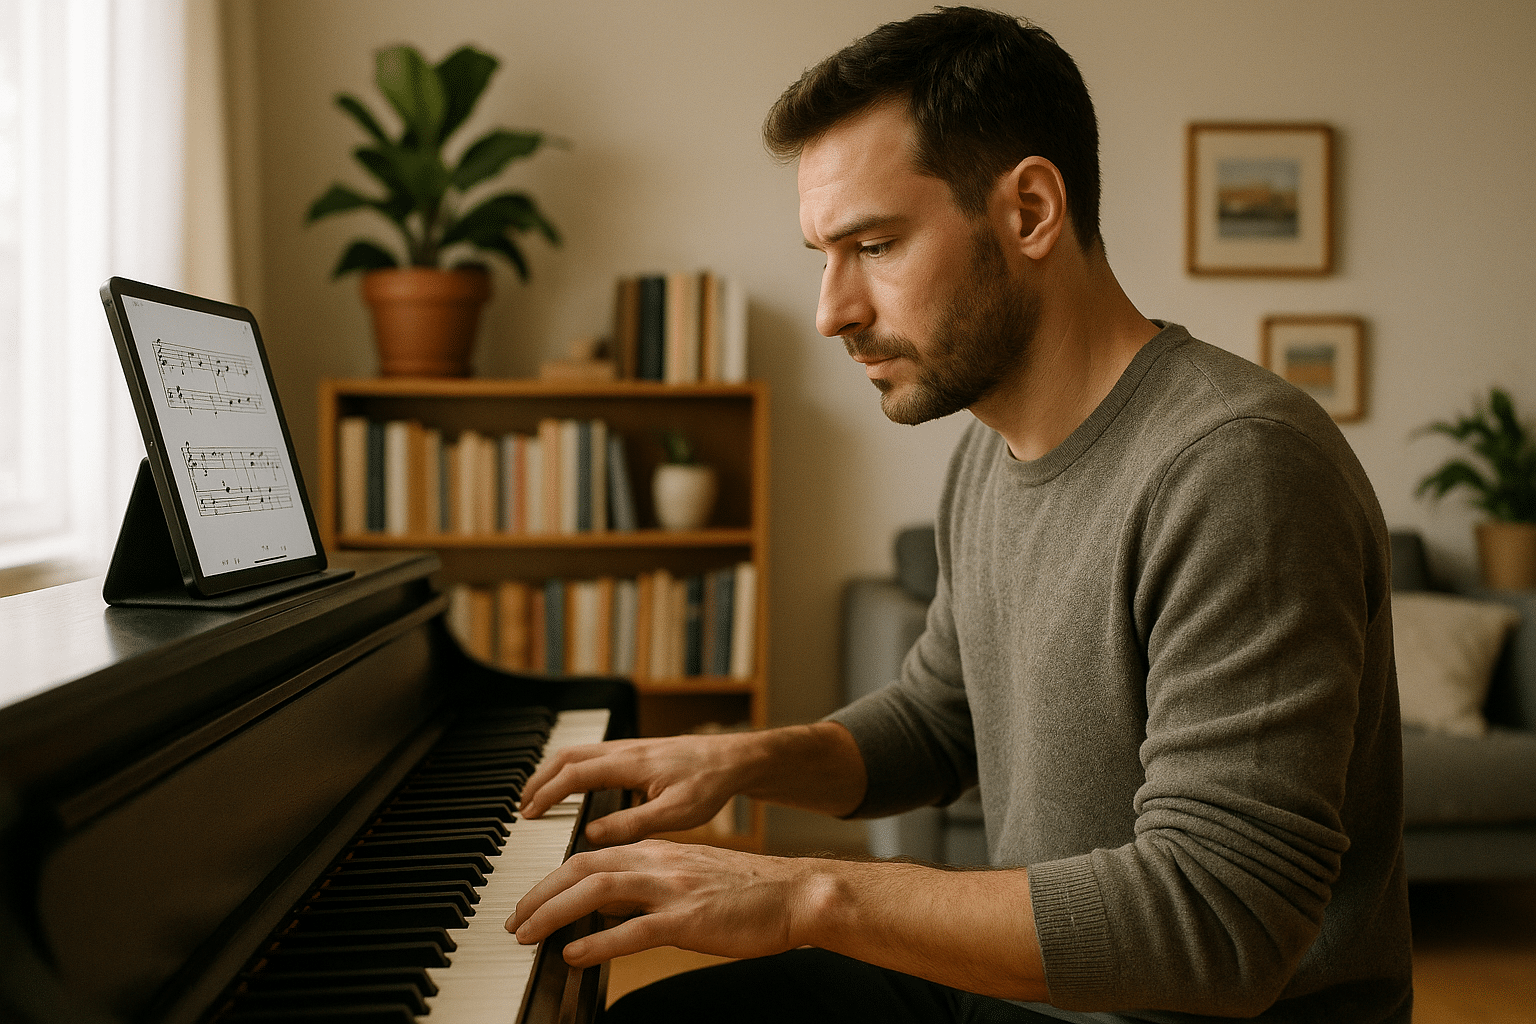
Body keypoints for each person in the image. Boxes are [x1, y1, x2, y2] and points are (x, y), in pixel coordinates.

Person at [506, 8, 1413, 1022]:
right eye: (824, 252)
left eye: (875, 244)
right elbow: (942, 720)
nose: (830, 310)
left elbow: (1222, 922)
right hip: (1041, 998)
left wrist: (808, 890)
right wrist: (747, 757)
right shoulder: (989, 452)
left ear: (1029, 210)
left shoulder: (1238, 466)